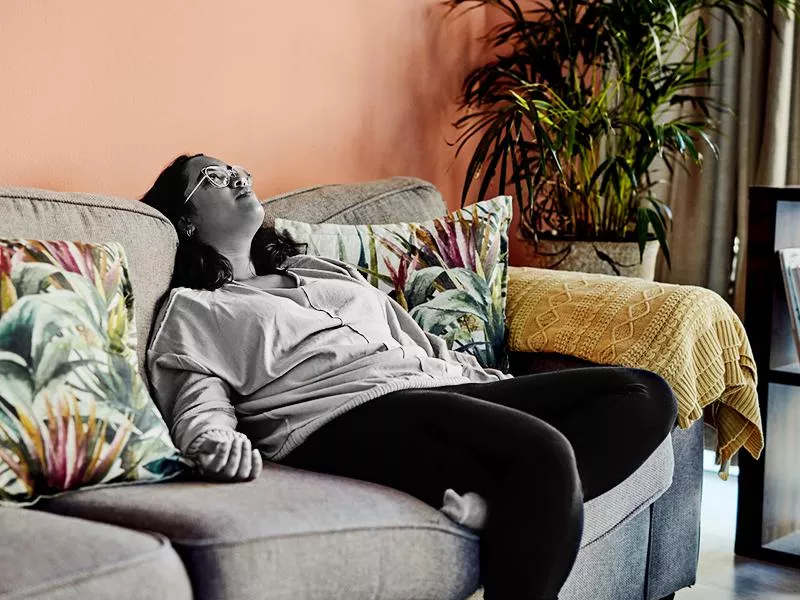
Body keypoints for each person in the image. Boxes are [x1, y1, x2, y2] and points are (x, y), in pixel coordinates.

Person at [141, 154, 678, 600]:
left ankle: (502, 507)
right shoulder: (196, 309)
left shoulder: (321, 270)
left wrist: (490, 382)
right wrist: (212, 443)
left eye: (238, 168)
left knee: (644, 393)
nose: (239, 177)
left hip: (436, 386)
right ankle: (521, 500)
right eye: (214, 176)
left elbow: (414, 339)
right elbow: (197, 400)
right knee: (545, 453)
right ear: (184, 221)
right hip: (344, 416)